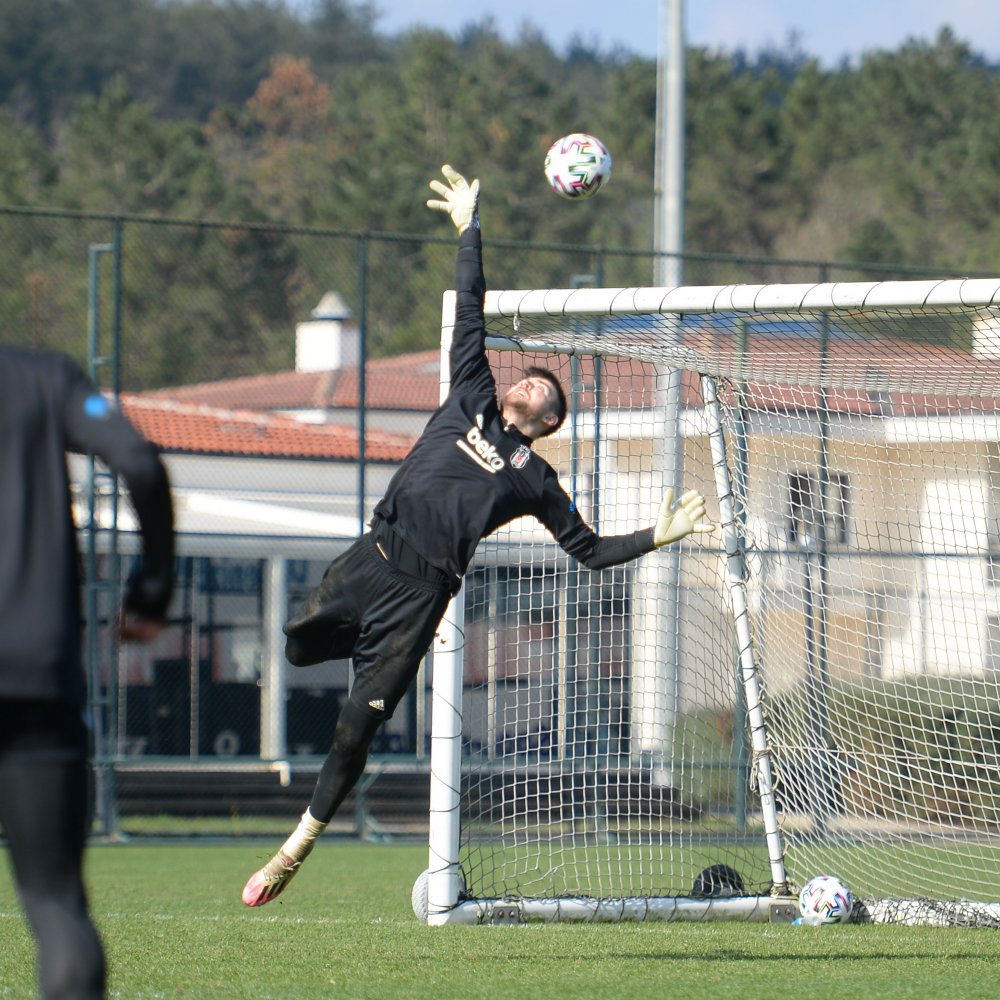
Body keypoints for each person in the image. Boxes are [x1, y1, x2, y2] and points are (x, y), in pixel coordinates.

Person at [241, 165, 712, 908]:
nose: (526, 385)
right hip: (373, 557)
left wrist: (658, 533)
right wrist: (469, 227)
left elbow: (586, 552)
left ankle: (296, 848)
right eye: (525, 379)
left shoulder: (535, 477)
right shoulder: (467, 393)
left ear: (550, 419)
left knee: (353, 730)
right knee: (296, 647)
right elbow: (470, 303)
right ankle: (329, 657)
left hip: (418, 600)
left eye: (541, 391)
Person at [0, 347, 175, 1000]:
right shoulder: (42, 377)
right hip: (36, 674)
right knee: (54, 902)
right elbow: (138, 460)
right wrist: (154, 588)